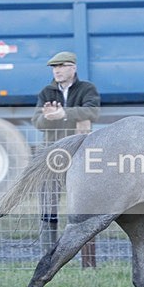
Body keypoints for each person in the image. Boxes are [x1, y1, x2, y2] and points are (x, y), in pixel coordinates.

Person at [33, 51, 101, 260]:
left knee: (83, 207)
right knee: (48, 205)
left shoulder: (87, 89)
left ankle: (88, 261)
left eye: (62, 66)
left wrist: (65, 114)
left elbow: (92, 112)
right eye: (55, 67)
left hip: (79, 154)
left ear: (73, 68)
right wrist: (48, 117)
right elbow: (37, 121)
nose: (57, 71)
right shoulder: (46, 92)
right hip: (53, 154)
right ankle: (48, 256)